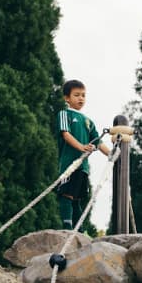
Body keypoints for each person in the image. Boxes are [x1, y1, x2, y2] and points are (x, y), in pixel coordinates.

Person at [56, 80, 109, 230]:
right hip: (69, 164)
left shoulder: (88, 121)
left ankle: (78, 230)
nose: (81, 98)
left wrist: (113, 155)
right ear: (67, 98)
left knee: (77, 198)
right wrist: (82, 147)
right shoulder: (64, 114)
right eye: (77, 95)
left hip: (83, 167)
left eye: (83, 95)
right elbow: (65, 134)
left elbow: (98, 142)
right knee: (66, 195)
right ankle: (67, 227)